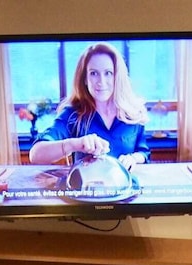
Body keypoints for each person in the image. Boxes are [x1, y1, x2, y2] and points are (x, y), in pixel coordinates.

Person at [29, 42, 150, 171]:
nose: (101, 82)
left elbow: (144, 153)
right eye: (93, 73)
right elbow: (35, 155)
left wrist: (133, 159)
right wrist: (75, 144)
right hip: (86, 184)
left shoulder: (133, 113)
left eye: (108, 73)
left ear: (117, 77)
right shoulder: (72, 114)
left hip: (127, 184)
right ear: (85, 79)